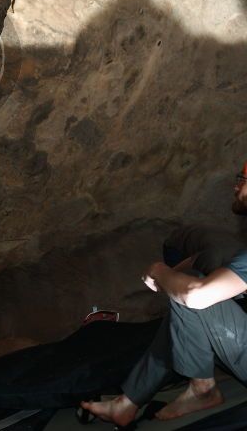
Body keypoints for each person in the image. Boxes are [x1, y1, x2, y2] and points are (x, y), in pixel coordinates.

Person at [81, 162, 247, 425]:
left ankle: (201, 390)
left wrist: (160, 271)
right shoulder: (225, 250)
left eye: (243, 178)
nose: (236, 184)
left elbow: (196, 295)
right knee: (186, 291)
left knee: (189, 290)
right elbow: (210, 261)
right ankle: (128, 402)